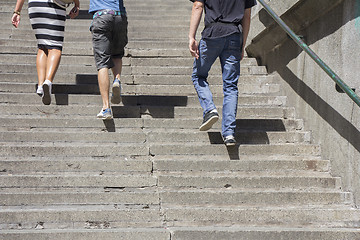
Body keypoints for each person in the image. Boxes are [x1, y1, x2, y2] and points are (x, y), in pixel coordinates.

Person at [189, 0, 256, 146]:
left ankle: (210, 109)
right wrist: (242, 44)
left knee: (198, 75)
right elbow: (247, 15)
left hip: (212, 34)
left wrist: (191, 37)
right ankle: (229, 133)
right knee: (231, 86)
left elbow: (198, 6)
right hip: (234, 35)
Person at [12, 0, 80, 105]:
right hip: (54, 6)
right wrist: (77, 5)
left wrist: (17, 12)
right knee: (55, 47)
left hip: (35, 6)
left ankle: (40, 85)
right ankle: (48, 82)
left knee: (42, 46)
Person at [89, 0, 128, 120]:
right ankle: (117, 79)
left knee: (102, 64)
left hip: (101, 15)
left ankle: (106, 108)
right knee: (116, 55)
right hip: (119, 15)